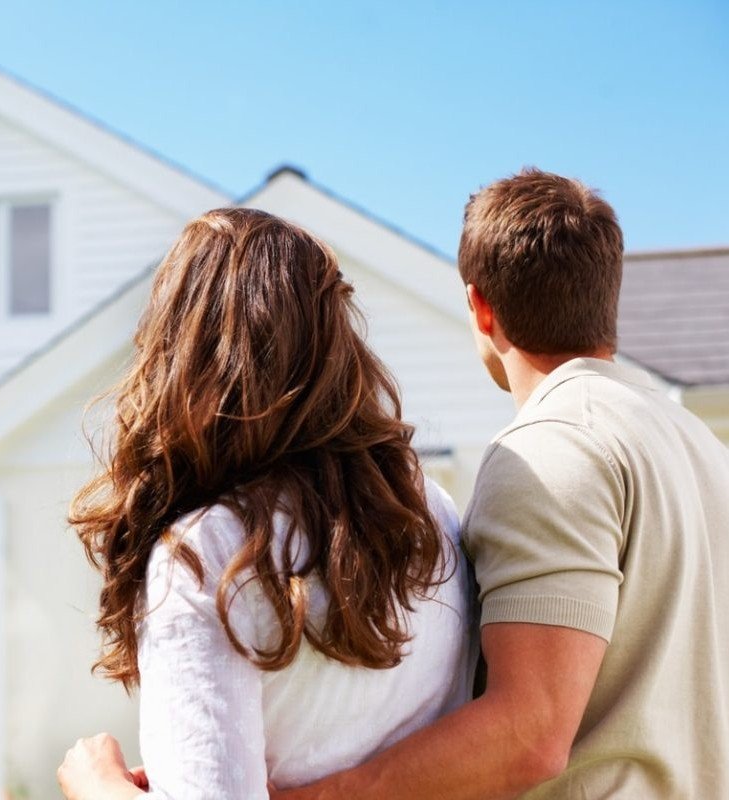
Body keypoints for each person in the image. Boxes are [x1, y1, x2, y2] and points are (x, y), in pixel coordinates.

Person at [268, 169, 729, 798]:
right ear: (606, 300)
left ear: (480, 306)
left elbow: (530, 733)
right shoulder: (702, 447)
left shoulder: (550, 447)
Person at [57, 208, 478, 800]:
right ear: (336, 345)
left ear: (178, 352)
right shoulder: (429, 515)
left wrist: (96, 786)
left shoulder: (205, 553)